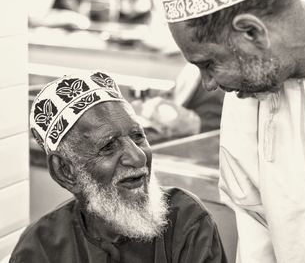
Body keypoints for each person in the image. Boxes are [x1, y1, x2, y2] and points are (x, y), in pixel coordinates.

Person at [160, 0, 305, 262]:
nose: (209, 84)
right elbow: (254, 231)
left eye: (209, 64)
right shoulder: (245, 100)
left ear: (252, 31)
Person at [10, 71, 227, 263]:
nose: (138, 156)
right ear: (65, 171)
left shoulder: (186, 221)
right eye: (108, 146)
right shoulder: (40, 247)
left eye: (138, 137)